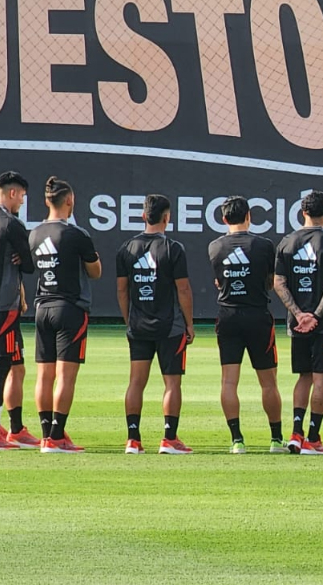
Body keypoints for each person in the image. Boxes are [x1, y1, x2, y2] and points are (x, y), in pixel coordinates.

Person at [115, 195, 195, 455]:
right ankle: (169, 439)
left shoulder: (126, 248)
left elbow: (122, 290)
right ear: (167, 217)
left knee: (135, 382)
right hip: (169, 327)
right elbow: (183, 290)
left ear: (143, 216)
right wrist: (190, 324)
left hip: (138, 326)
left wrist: (130, 320)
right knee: (172, 383)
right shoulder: (173, 249)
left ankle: (132, 439)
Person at [208, 196, 285, 454]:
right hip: (257, 316)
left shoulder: (215, 247)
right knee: (269, 382)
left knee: (229, 382)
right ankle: (275, 439)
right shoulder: (264, 245)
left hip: (228, 316)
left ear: (223, 219)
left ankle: (237, 440)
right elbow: (271, 280)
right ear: (249, 216)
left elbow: (219, 282)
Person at [30, 177, 101, 453]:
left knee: (44, 375)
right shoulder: (76, 234)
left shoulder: (34, 233)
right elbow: (95, 272)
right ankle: (56, 437)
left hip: (42, 307)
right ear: (69, 200)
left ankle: (47, 432)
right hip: (69, 308)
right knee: (65, 375)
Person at [274, 191, 323, 455]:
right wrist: (315, 316)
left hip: (297, 324)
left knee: (304, 377)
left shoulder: (287, 242)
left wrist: (298, 314)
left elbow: (279, 283)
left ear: (302, 212)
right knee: (321, 379)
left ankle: (296, 434)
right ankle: (313, 438)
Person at [0, 172, 35, 450]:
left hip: (10, 302)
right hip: (4, 308)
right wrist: (22, 257)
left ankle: (15, 428)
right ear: (12, 193)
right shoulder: (12, 225)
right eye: (22, 195)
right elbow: (29, 266)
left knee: (16, 367)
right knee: (5, 365)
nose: (23, 200)